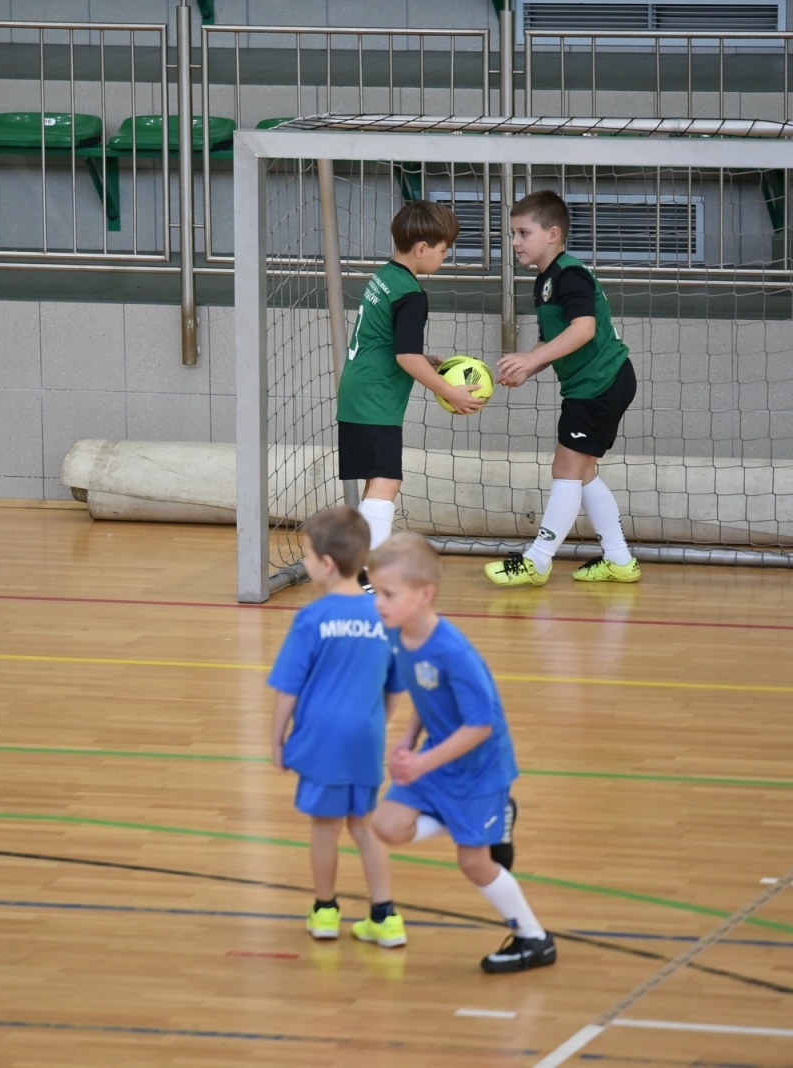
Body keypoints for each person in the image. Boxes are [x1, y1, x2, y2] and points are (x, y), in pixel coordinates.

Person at [368, 533, 555, 973]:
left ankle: (535, 938)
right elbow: (424, 692)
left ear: (424, 594)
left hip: (478, 770)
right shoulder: (400, 636)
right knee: (387, 826)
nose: (379, 602)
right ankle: (482, 821)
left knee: (473, 863)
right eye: (376, 592)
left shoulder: (453, 651)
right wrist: (407, 739)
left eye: (388, 594)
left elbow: (481, 725)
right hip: (438, 759)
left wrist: (421, 763)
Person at [267, 506, 406, 947]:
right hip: (365, 739)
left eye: (306, 556)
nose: (304, 564)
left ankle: (325, 911)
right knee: (363, 824)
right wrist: (378, 725)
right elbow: (394, 687)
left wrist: (276, 739)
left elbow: (287, 688)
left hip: (320, 741)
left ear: (326, 565)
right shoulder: (383, 619)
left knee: (324, 826)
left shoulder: (310, 620)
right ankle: (385, 916)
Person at [488, 190, 641, 587]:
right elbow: (555, 341)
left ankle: (538, 561)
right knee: (583, 473)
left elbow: (584, 329)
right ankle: (620, 560)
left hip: (599, 384)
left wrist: (533, 360)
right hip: (595, 384)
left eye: (524, 233)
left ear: (553, 234)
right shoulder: (545, 281)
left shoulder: (569, 274)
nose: (516, 242)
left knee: (566, 470)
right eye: (513, 234)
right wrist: (528, 365)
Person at [338, 200, 487, 579]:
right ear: (422, 249)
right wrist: (450, 392)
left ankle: (363, 569)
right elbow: (406, 357)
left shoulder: (384, 276)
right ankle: (366, 577)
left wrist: (426, 357)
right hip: (376, 400)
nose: (444, 257)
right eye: (443, 250)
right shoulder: (411, 294)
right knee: (388, 481)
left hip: (358, 391)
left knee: (377, 481)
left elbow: (389, 341)